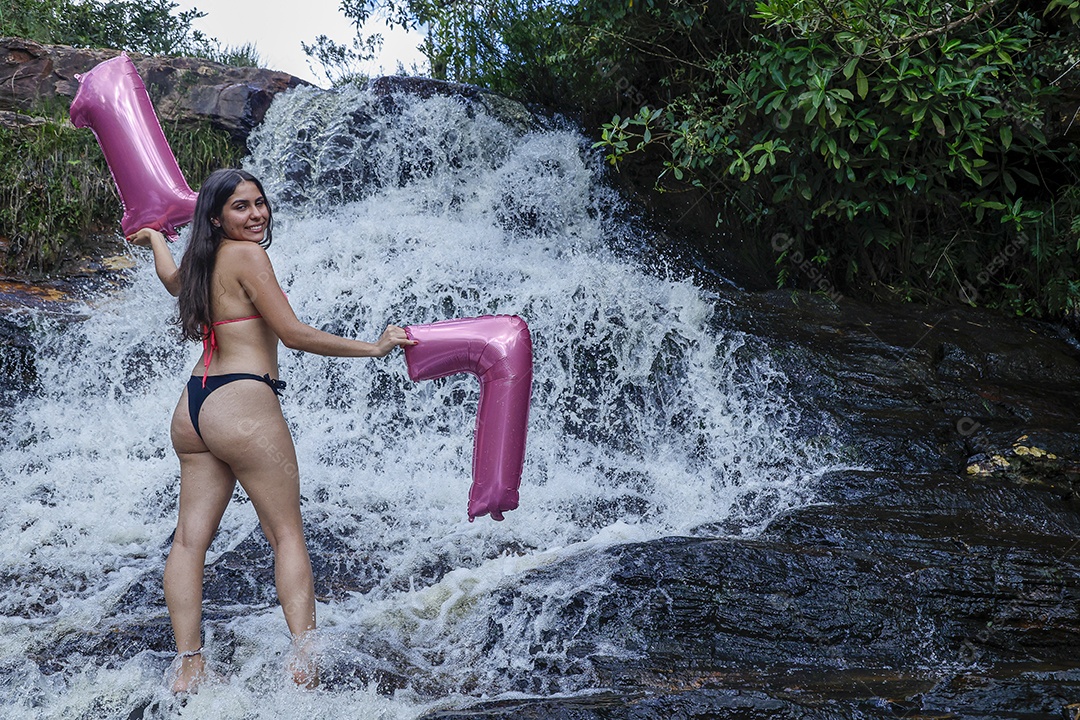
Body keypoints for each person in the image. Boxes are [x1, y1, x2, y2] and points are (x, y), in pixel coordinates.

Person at [127, 168, 416, 693]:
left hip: (194, 408)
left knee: (189, 541)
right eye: (241, 206)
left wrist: (154, 241)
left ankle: (189, 665)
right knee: (286, 533)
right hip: (242, 404)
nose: (257, 214)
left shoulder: (203, 258)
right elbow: (293, 333)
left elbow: (171, 281)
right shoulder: (247, 256)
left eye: (259, 203)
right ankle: (304, 661)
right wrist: (374, 348)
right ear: (217, 217)